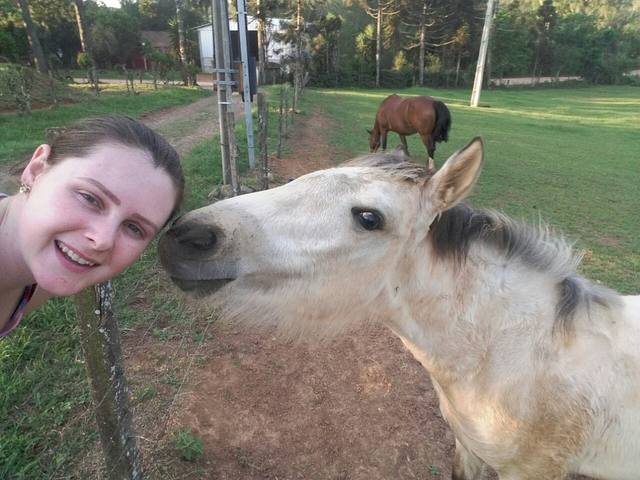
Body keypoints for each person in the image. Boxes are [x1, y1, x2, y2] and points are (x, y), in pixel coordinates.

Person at [0, 115, 184, 338]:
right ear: (37, 169)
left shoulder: (40, 277)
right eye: (89, 198)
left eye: (134, 228)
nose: (103, 239)